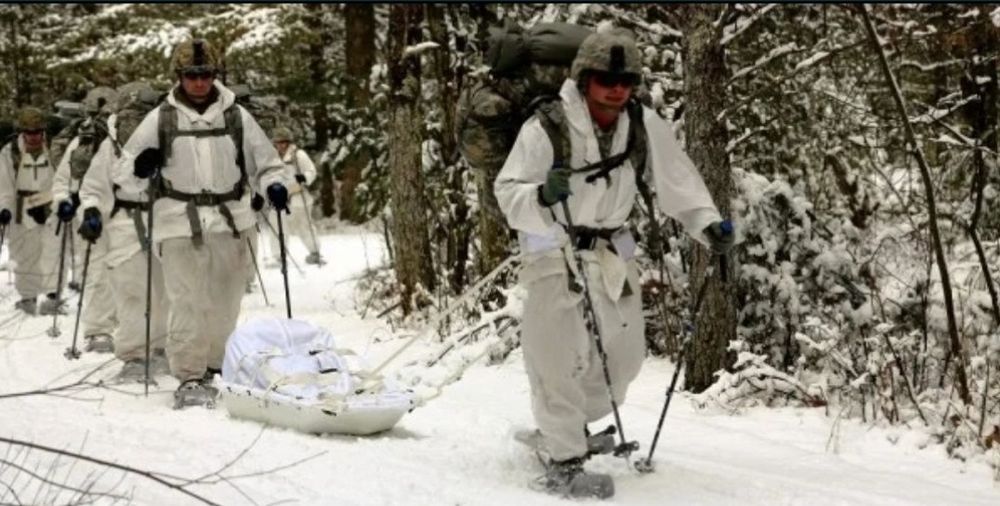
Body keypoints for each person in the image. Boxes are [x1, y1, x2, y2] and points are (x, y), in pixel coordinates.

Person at [494, 28, 734, 497]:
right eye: (606, 77)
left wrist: (706, 223)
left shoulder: (641, 123)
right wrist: (540, 195)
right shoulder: (547, 125)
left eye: (625, 79)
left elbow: (675, 178)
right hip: (552, 246)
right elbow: (508, 191)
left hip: (611, 251)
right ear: (585, 78)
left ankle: (567, 428)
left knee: (625, 357)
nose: (616, 88)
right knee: (555, 355)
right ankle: (563, 458)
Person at [110, 38, 290, 405]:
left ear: (215, 75)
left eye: (205, 75)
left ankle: (215, 366)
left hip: (232, 221)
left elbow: (268, 163)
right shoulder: (161, 117)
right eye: (191, 75)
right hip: (178, 221)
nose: (199, 83)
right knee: (187, 301)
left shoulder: (236, 116)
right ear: (179, 76)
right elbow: (124, 173)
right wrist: (141, 167)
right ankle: (190, 376)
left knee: (226, 301)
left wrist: (275, 186)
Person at [78, 81, 170, 380]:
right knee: (131, 293)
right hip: (124, 224)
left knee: (166, 291)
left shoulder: (172, 138)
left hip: (168, 221)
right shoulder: (111, 146)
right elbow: (92, 186)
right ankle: (134, 356)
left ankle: (162, 349)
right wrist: (91, 210)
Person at [52, 86, 120, 352]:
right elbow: (61, 183)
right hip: (92, 217)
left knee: (130, 272)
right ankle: (98, 330)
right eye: (96, 114)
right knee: (97, 272)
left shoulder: (129, 138)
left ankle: (130, 326)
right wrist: (64, 204)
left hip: (128, 215)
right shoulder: (82, 143)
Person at [0, 107, 63, 316]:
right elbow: (5, 186)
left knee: (51, 249)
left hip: (50, 203)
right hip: (22, 205)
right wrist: (4, 209)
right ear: (22, 132)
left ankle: (53, 296)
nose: (34, 137)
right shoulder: (10, 152)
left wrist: (48, 202)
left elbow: (62, 180)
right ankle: (28, 297)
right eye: (29, 133)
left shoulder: (54, 149)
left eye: (37, 132)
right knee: (24, 251)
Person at [261, 127, 323, 267]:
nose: (281, 145)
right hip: (279, 197)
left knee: (304, 226)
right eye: (277, 142)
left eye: (284, 142)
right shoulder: (272, 157)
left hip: (297, 196)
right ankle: (279, 257)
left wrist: (304, 177)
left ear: (288, 142)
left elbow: (311, 171)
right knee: (277, 226)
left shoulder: (298, 155)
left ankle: (315, 252)